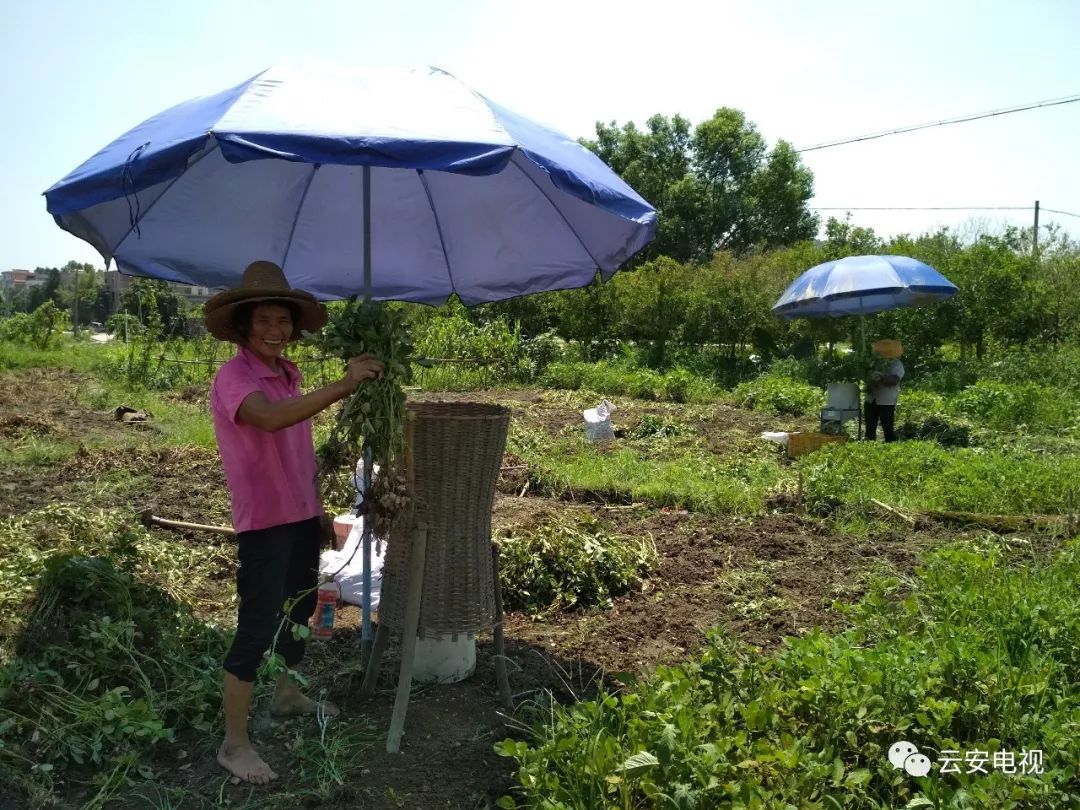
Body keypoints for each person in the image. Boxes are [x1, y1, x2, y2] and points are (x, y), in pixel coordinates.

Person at [204, 260, 383, 784]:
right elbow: (271, 419)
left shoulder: (288, 374)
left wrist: (319, 507)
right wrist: (346, 384)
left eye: (283, 321)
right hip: (264, 522)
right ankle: (234, 744)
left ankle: (286, 694)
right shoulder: (234, 377)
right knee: (257, 626)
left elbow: (297, 446)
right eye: (263, 320)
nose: (275, 331)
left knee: (301, 609)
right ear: (243, 326)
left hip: (301, 513)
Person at [864, 339, 905, 442]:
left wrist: (881, 378)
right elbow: (865, 376)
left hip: (886, 401)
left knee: (887, 428)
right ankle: (869, 446)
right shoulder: (873, 363)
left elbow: (894, 380)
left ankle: (889, 447)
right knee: (869, 428)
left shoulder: (896, 364)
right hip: (871, 399)